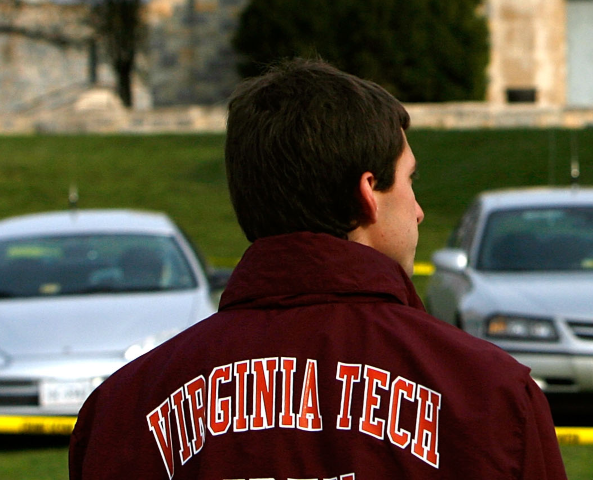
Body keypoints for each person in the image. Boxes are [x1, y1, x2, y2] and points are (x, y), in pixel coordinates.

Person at [69, 58, 567, 479]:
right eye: (410, 181)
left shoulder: (120, 412)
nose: (418, 210)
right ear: (368, 193)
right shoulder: (492, 399)